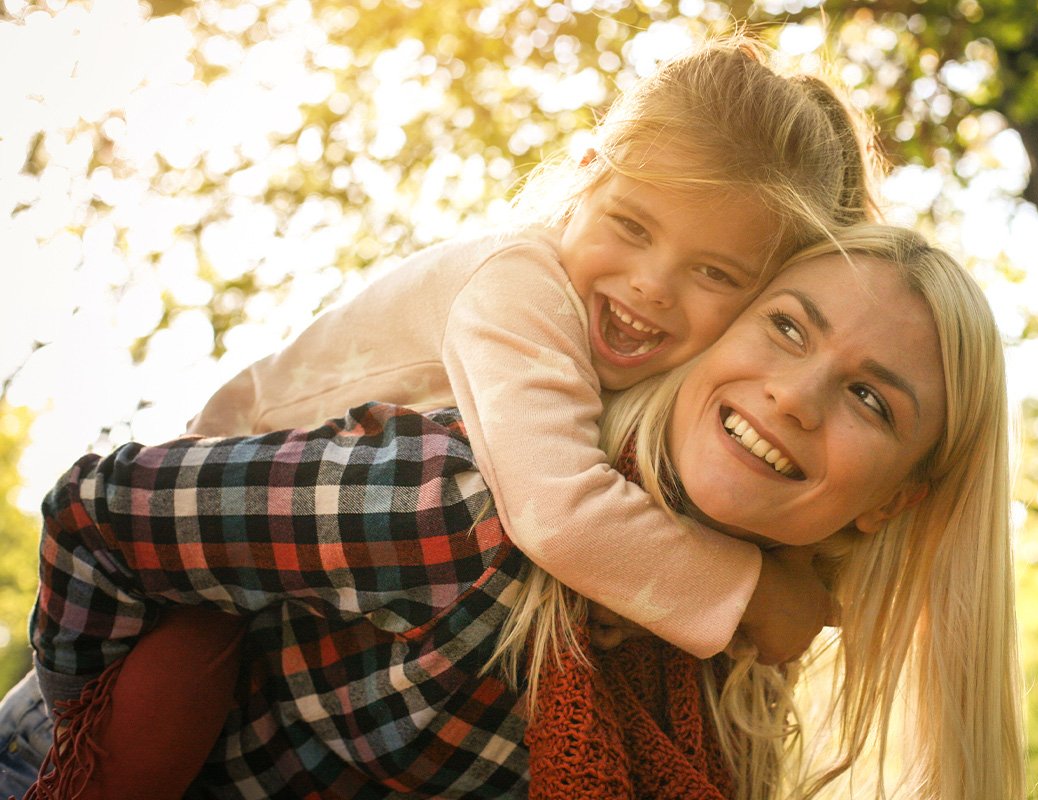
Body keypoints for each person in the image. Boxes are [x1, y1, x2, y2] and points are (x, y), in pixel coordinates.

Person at [24, 225, 1025, 799]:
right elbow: (95, 510)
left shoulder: (738, 687)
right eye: (787, 325)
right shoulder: (469, 507)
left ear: (895, 497)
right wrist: (94, 750)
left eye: (871, 398)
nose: (798, 394)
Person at [178, 34, 878, 665]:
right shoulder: (516, 284)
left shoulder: (658, 361)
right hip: (206, 516)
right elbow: (561, 511)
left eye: (715, 273)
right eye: (632, 225)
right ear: (584, 176)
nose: (652, 285)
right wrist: (757, 594)